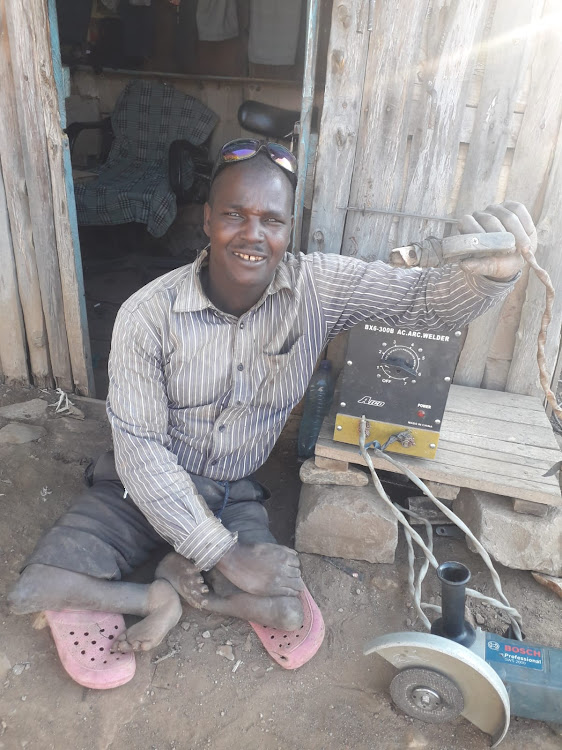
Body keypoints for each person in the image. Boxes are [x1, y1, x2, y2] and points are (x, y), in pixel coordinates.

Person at [8, 139, 537, 688]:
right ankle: (157, 593)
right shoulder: (147, 314)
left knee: (288, 611)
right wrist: (228, 557)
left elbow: (426, 301)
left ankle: (180, 575)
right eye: (234, 215)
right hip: (139, 489)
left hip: (231, 490)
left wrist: (492, 274)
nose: (252, 234)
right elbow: (140, 452)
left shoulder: (320, 289)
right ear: (207, 221)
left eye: (271, 220)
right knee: (34, 588)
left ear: (289, 231)